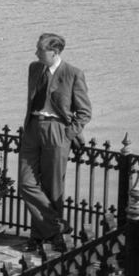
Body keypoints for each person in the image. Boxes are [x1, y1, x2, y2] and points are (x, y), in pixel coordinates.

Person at [19, 33, 91, 252]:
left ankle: (41, 237)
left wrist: (67, 134)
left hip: (57, 130)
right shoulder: (34, 68)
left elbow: (84, 112)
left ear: (55, 52)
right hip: (33, 128)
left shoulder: (73, 74)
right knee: (26, 183)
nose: (36, 53)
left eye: (40, 49)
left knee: (52, 187)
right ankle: (59, 229)